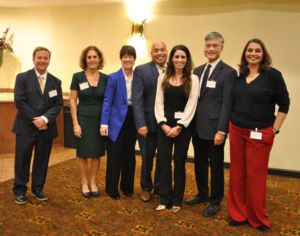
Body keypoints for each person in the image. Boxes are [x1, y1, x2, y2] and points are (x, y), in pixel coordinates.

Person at [228, 39, 290, 232]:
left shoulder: (272, 75)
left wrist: (274, 129)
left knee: (256, 177)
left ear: (263, 54)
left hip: (260, 133)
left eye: (257, 50)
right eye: (249, 50)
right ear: (244, 54)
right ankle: (238, 214)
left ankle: (257, 218)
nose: (253, 53)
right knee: (237, 174)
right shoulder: (240, 76)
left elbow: (284, 104)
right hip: (237, 130)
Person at [185, 32, 237, 217]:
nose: (211, 49)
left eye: (215, 45)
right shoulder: (197, 71)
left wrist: (222, 130)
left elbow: (227, 104)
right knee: (199, 163)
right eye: (208, 45)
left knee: (215, 166)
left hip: (215, 129)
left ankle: (215, 201)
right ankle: (202, 194)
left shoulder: (229, 72)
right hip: (197, 128)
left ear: (221, 48)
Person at [12, 46, 63, 204]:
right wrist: (37, 119)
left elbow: (58, 104)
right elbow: (20, 101)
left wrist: (45, 119)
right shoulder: (22, 78)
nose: (42, 61)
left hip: (46, 129)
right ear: (33, 59)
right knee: (22, 160)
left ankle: (37, 189)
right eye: (39, 57)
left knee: (42, 160)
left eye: (45, 58)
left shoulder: (55, 82)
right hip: (26, 127)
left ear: (49, 60)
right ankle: (20, 191)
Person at [155, 45, 199, 213]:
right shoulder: (163, 77)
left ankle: (176, 200)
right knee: (164, 163)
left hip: (184, 127)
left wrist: (180, 126)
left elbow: (192, 104)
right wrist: (163, 124)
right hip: (164, 125)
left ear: (187, 59)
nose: (180, 60)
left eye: (183, 57)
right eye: (177, 57)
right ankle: (165, 199)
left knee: (179, 164)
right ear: (171, 59)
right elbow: (158, 102)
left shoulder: (193, 79)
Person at [70, 46, 108, 198]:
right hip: (83, 119)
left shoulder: (105, 78)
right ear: (85, 59)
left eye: (95, 57)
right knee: (83, 152)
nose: (92, 60)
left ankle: (93, 181)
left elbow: (108, 100)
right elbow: (72, 101)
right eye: (89, 57)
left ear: (99, 59)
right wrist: (75, 123)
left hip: (100, 120)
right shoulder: (77, 77)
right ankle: (84, 182)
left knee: (96, 152)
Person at [132, 41, 167, 202]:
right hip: (147, 124)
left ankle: (159, 186)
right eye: (156, 50)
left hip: (167, 124)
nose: (159, 53)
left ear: (166, 51)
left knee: (164, 157)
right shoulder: (141, 70)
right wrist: (140, 123)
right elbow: (137, 99)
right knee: (147, 157)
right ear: (151, 53)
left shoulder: (175, 68)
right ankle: (146, 187)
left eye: (162, 50)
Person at [100, 45, 137, 200]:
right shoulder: (113, 77)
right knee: (114, 156)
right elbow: (107, 101)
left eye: (130, 57)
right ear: (121, 58)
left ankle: (127, 187)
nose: (127, 59)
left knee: (129, 155)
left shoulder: (138, 76)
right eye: (125, 56)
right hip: (115, 120)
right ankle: (112, 189)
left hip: (133, 119)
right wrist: (104, 123)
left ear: (134, 59)